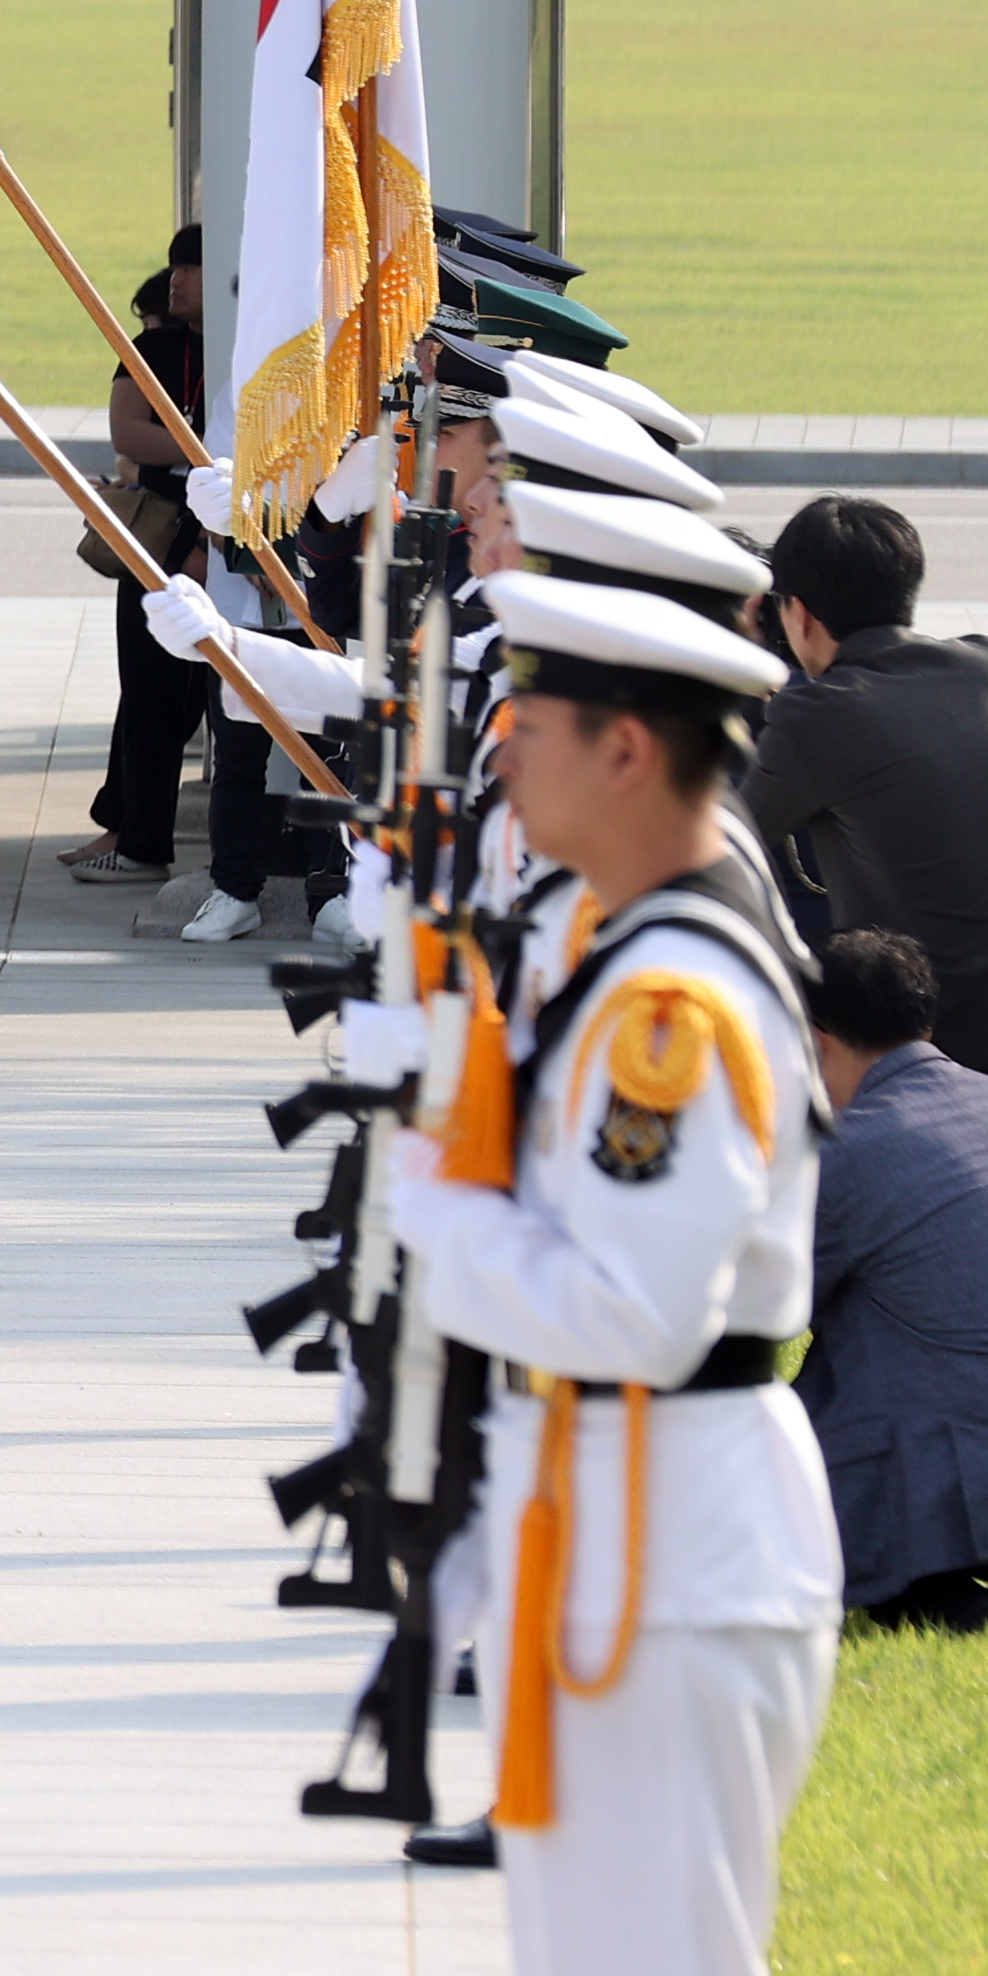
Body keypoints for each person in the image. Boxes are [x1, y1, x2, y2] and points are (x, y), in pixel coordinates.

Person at [393, 565, 834, 1976]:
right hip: (620, 1529)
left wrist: (430, 1201)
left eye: (526, 735)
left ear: (625, 749)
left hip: (669, 1546)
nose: (499, 767)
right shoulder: (627, 943)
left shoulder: (668, 1008)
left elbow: (630, 1314)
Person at [748, 495, 988, 1073]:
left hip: (922, 1048)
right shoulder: (979, 663)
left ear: (797, 614)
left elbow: (723, 838)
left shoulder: (817, 715)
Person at [794, 929, 988, 1633]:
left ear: (813, 1042)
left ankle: (934, 1595)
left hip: (951, 1464)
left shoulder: (842, 1152)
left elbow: (753, 1312)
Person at [76, 230, 205, 887]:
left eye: (190, 265)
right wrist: (198, 450)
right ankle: (141, 840)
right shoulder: (151, 348)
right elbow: (125, 429)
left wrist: (181, 450)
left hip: (219, 541)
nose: (175, 278)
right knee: (148, 695)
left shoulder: (247, 351)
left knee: (220, 702)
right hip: (154, 542)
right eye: (173, 265)